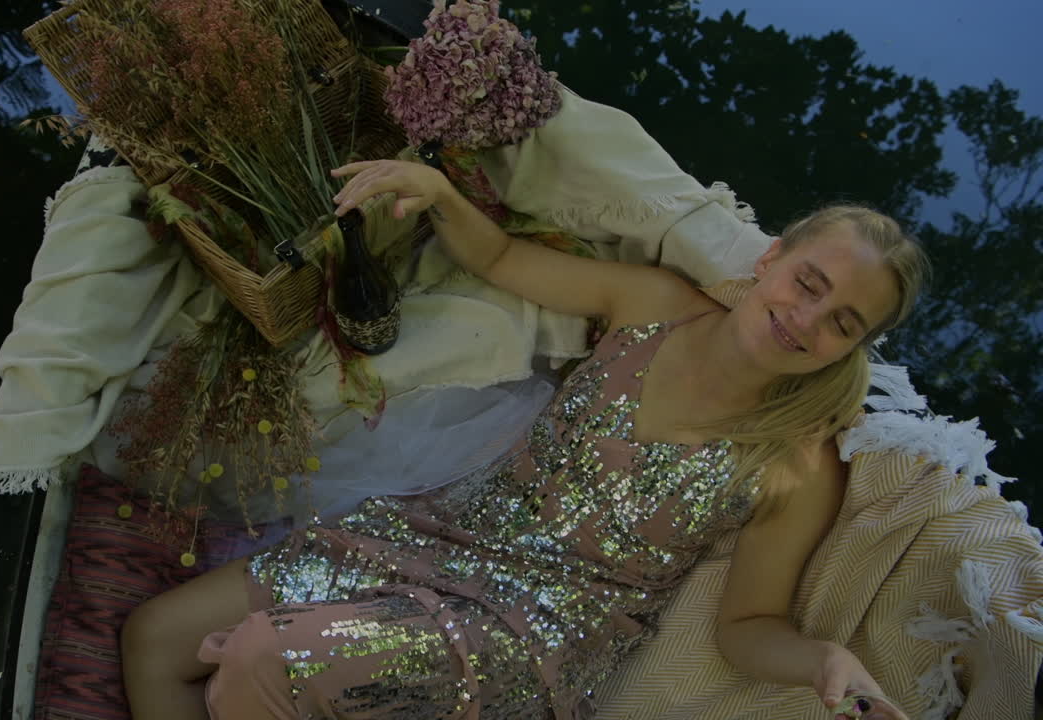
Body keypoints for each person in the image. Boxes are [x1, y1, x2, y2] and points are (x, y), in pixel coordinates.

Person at [119, 158, 930, 720]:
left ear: (854, 347)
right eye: (808, 284)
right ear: (773, 259)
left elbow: (748, 627)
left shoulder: (794, 460)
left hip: (531, 635)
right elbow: (504, 256)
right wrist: (437, 191)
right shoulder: (654, 303)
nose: (807, 318)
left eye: (842, 323)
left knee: (262, 659)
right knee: (155, 638)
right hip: (438, 534)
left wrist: (822, 661)